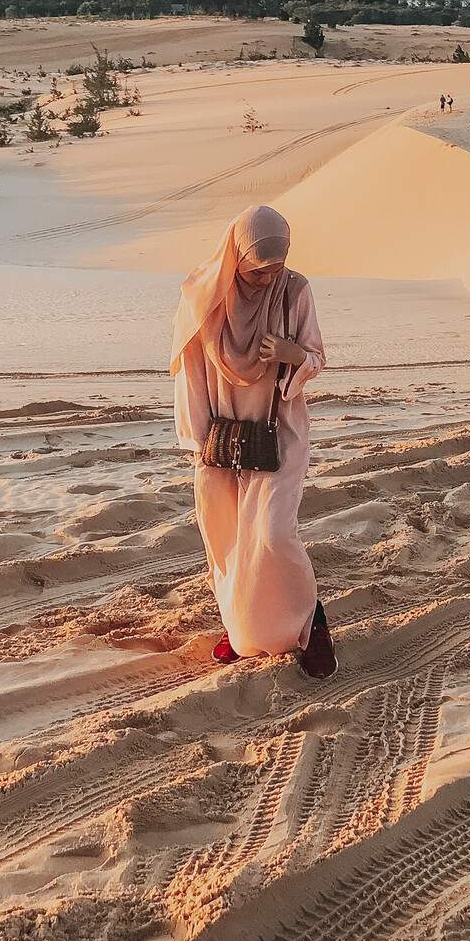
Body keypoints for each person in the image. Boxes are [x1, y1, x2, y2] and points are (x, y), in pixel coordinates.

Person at [170, 204, 334, 678]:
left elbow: (316, 356)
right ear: (236, 256)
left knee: (272, 533)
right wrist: (199, 441)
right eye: (258, 270)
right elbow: (190, 372)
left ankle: (309, 621)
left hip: (279, 428)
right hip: (220, 436)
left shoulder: (295, 289)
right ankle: (243, 626)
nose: (269, 279)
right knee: (228, 537)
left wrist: (293, 355)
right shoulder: (205, 296)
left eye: (277, 268)